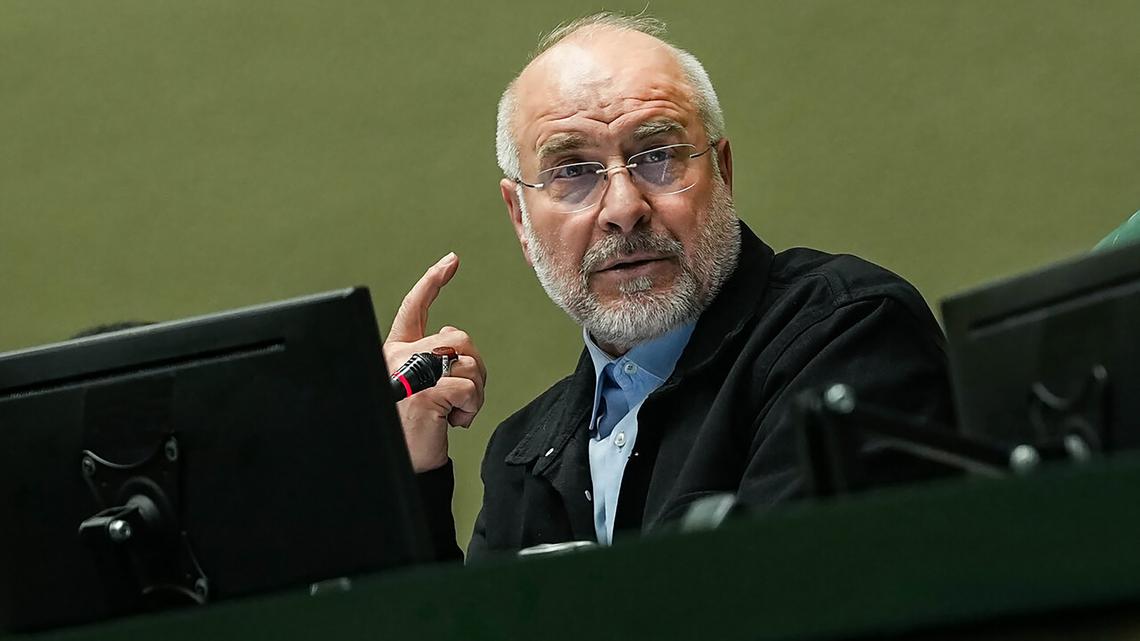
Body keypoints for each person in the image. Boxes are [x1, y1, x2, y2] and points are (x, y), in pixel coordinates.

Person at [389, 12, 954, 562]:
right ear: (520, 217)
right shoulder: (522, 455)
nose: (624, 208)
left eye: (657, 156)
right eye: (572, 171)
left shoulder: (846, 335)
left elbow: (796, 600)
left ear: (723, 172)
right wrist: (408, 467)